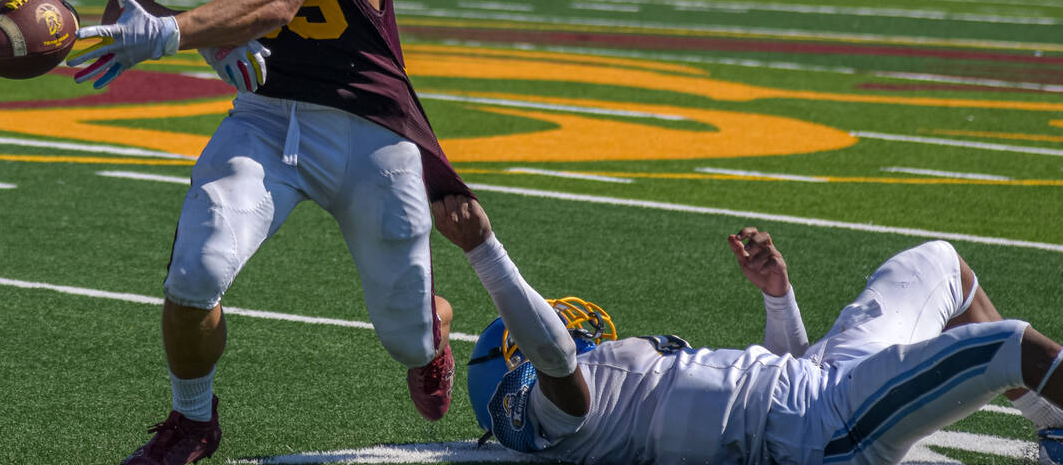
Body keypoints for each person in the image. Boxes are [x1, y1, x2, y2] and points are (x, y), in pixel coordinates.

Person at [66, 0, 469, 464]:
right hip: (265, 111)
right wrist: (191, 37)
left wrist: (184, 32)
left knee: (402, 335)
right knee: (194, 272)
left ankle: (433, 326)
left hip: (365, 116)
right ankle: (192, 421)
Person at [433, 195, 1063, 465]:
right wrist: (484, 251)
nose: (571, 328)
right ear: (518, 371)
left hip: (813, 384)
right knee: (1006, 346)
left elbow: (765, 382)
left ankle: (1054, 427)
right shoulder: (560, 412)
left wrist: (779, 300)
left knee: (938, 262)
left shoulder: (605, 393)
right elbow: (554, 357)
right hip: (823, 429)